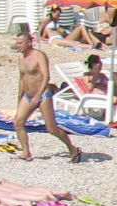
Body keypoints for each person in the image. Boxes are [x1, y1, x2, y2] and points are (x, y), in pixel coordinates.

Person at [12, 32, 82, 162]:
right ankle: (26, 152)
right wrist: (19, 98)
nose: (18, 46)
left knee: (51, 128)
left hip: (43, 94)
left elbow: (46, 76)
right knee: (18, 122)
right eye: (17, 43)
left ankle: (72, 148)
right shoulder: (21, 59)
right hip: (28, 95)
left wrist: (37, 96)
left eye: (20, 43)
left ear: (29, 43)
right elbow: (22, 79)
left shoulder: (39, 56)